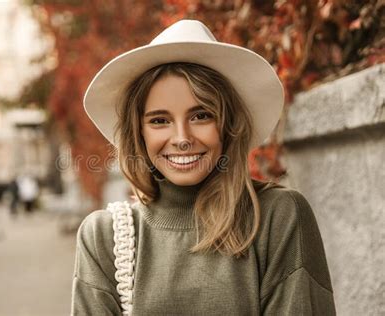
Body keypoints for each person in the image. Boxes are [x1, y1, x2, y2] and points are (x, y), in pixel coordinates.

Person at [71, 20, 336, 315]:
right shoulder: (104, 237)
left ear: (228, 125)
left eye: (201, 115)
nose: (182, 139)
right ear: (139, 133)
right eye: (160, 120)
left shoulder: (278, 217)